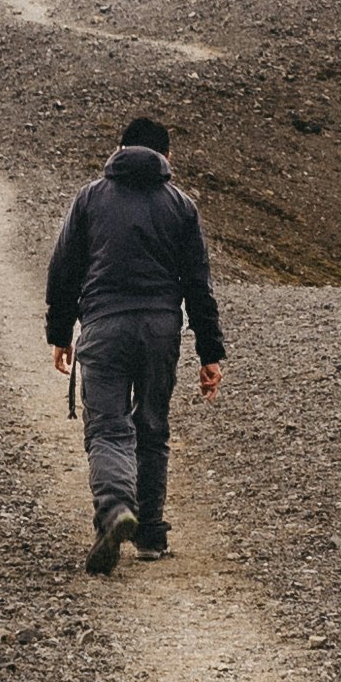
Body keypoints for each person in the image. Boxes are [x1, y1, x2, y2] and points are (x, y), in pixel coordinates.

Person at [44, 114, 226, 573]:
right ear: (166, 157)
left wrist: (59, 335)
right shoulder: (180, 205)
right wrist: (210, 353)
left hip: (104, 326)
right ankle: (149, 536)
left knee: (107, 427)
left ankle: (114, 510)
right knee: (152, 427)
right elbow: (199, 285)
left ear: (119, 148)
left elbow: (63, 269)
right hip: (161, 330)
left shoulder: (89, 199)